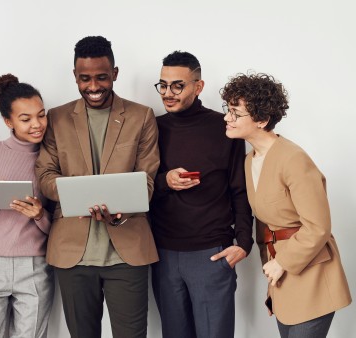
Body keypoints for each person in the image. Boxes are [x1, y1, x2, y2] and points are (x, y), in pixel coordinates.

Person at [36, 35, 160, 338]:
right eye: (85, 79)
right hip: (72, 254)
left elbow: (146, 180)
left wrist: (120, 210)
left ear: (115, 74)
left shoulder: (141, 116)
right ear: (75, 76)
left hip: (127, 253)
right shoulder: (56, 118)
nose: (93, 87)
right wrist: (79, 194)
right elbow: (45, 175)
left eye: (102, 77)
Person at [221, 72, 351, 338]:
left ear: (262, 120)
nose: (227, 118)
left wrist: (282, 263)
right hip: (281, 275)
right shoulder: (250, 160)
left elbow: (318, 227)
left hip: (311, 272)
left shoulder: (294, 159)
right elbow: (266, 222)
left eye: (235, 113)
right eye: (228, 110)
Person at [149, 51, 253, 338]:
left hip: (212, 253)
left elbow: (240, 190)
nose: (168, 93)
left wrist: (244, 242)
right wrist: (164, 181)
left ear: (198, 86)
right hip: (163, 253)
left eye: (177, 86)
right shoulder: (151, 127)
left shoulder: (224, 127)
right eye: (163, 85)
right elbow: (137, 182)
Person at [0, 74, 53, 338]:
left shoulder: (53, 157)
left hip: (34, 265)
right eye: (25, 119)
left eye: (41, 115)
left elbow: (60, 222)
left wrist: (39, 215)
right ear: (8, 122)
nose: (37, 125)